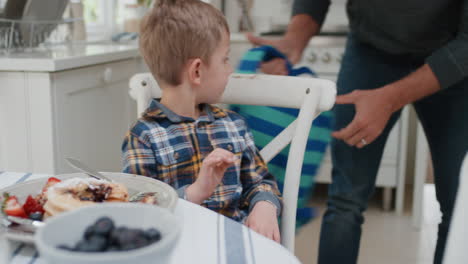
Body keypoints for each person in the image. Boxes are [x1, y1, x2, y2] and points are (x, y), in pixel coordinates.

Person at [247, 0, 468, 263]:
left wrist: (388, 99)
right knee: (346, 199)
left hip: (452, 55)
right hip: (370, 52)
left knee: (457, 206)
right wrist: (295, 38)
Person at [121, 0, 282, 242]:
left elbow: (260, 181)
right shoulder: (143, 136)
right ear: (197, 71)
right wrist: (195, 193)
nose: (229, 70)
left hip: (235, 242)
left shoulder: (233, 125)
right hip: (178, 249)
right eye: (225, 59)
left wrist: (265, 207)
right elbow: (141, 210)